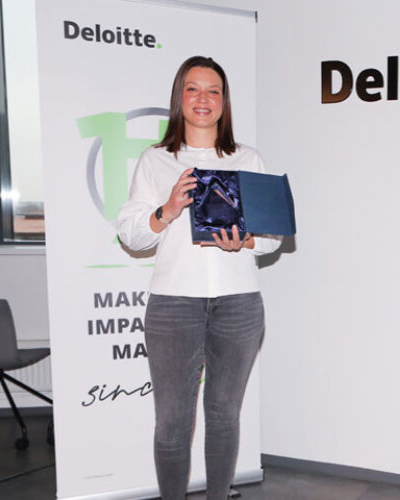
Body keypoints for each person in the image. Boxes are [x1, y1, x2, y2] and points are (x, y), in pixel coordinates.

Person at [117, 56, 282, 500]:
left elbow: (272, 238)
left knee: (225, 416)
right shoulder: (155, 160)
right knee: (173, 422)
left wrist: (244, 241)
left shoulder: (248, 159)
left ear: (224, 102)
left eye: (213, 91)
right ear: (179, 97)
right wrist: (168, 209)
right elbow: (132, 235)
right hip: (173, 304)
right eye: (193, 89)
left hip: (239, 304)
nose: (203, 99)